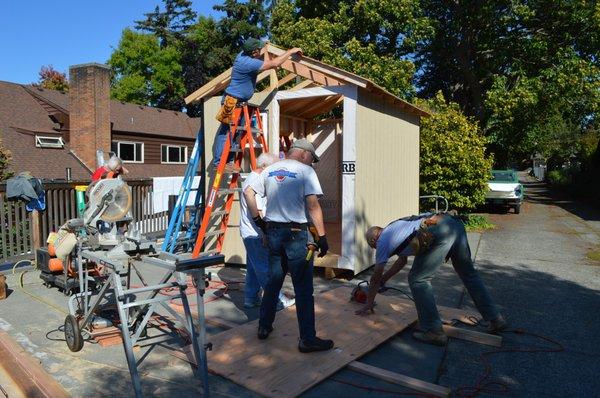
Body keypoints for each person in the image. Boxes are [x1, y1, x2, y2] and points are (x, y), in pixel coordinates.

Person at [356, 212, 506, 346]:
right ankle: (495, 318)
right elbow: (401, 261)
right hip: (453, 223)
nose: (375, 249)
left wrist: (369, 304)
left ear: (374, 239)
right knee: (468, 273)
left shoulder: (382, 241)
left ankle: (434, 332)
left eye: (372, 245)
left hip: (437, 230)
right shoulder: (395, 229)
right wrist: (385, 279)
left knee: (418, 280)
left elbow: (375, 278)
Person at [244, 139, 334, 353]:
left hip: (274, 233)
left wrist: (259, 222)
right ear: (304, 154)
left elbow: (248, 192)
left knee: (274, 283)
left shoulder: (269, 169)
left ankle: (264, 327)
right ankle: (307, 339)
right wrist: (322, 237)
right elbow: (313, 205)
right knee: (303, 289)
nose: (312, 162)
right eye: (312, 158)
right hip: (296, 236)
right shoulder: (305, 171)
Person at [213, 38, 303, 168]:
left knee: (237, 132)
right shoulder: (248, 63)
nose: (260, 51)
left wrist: (265, 48)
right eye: (258, 50)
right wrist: (291, 51)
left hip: (240, 102)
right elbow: (274, 64)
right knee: (227, 131)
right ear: (254, 52)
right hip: (231, 101)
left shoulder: (243, 54)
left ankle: (228, 161)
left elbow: (265, 61)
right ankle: (219, 162)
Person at [240, 152, 295, 310]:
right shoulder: (257, 180)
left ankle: (250, 298)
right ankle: (278, 300)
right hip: (256, 233)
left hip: (249, 231)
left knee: (253, 267)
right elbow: (259, 211)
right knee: (264, 268)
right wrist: (265, 232)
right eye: (273, 167)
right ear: (264, 166)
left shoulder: (252, 177)